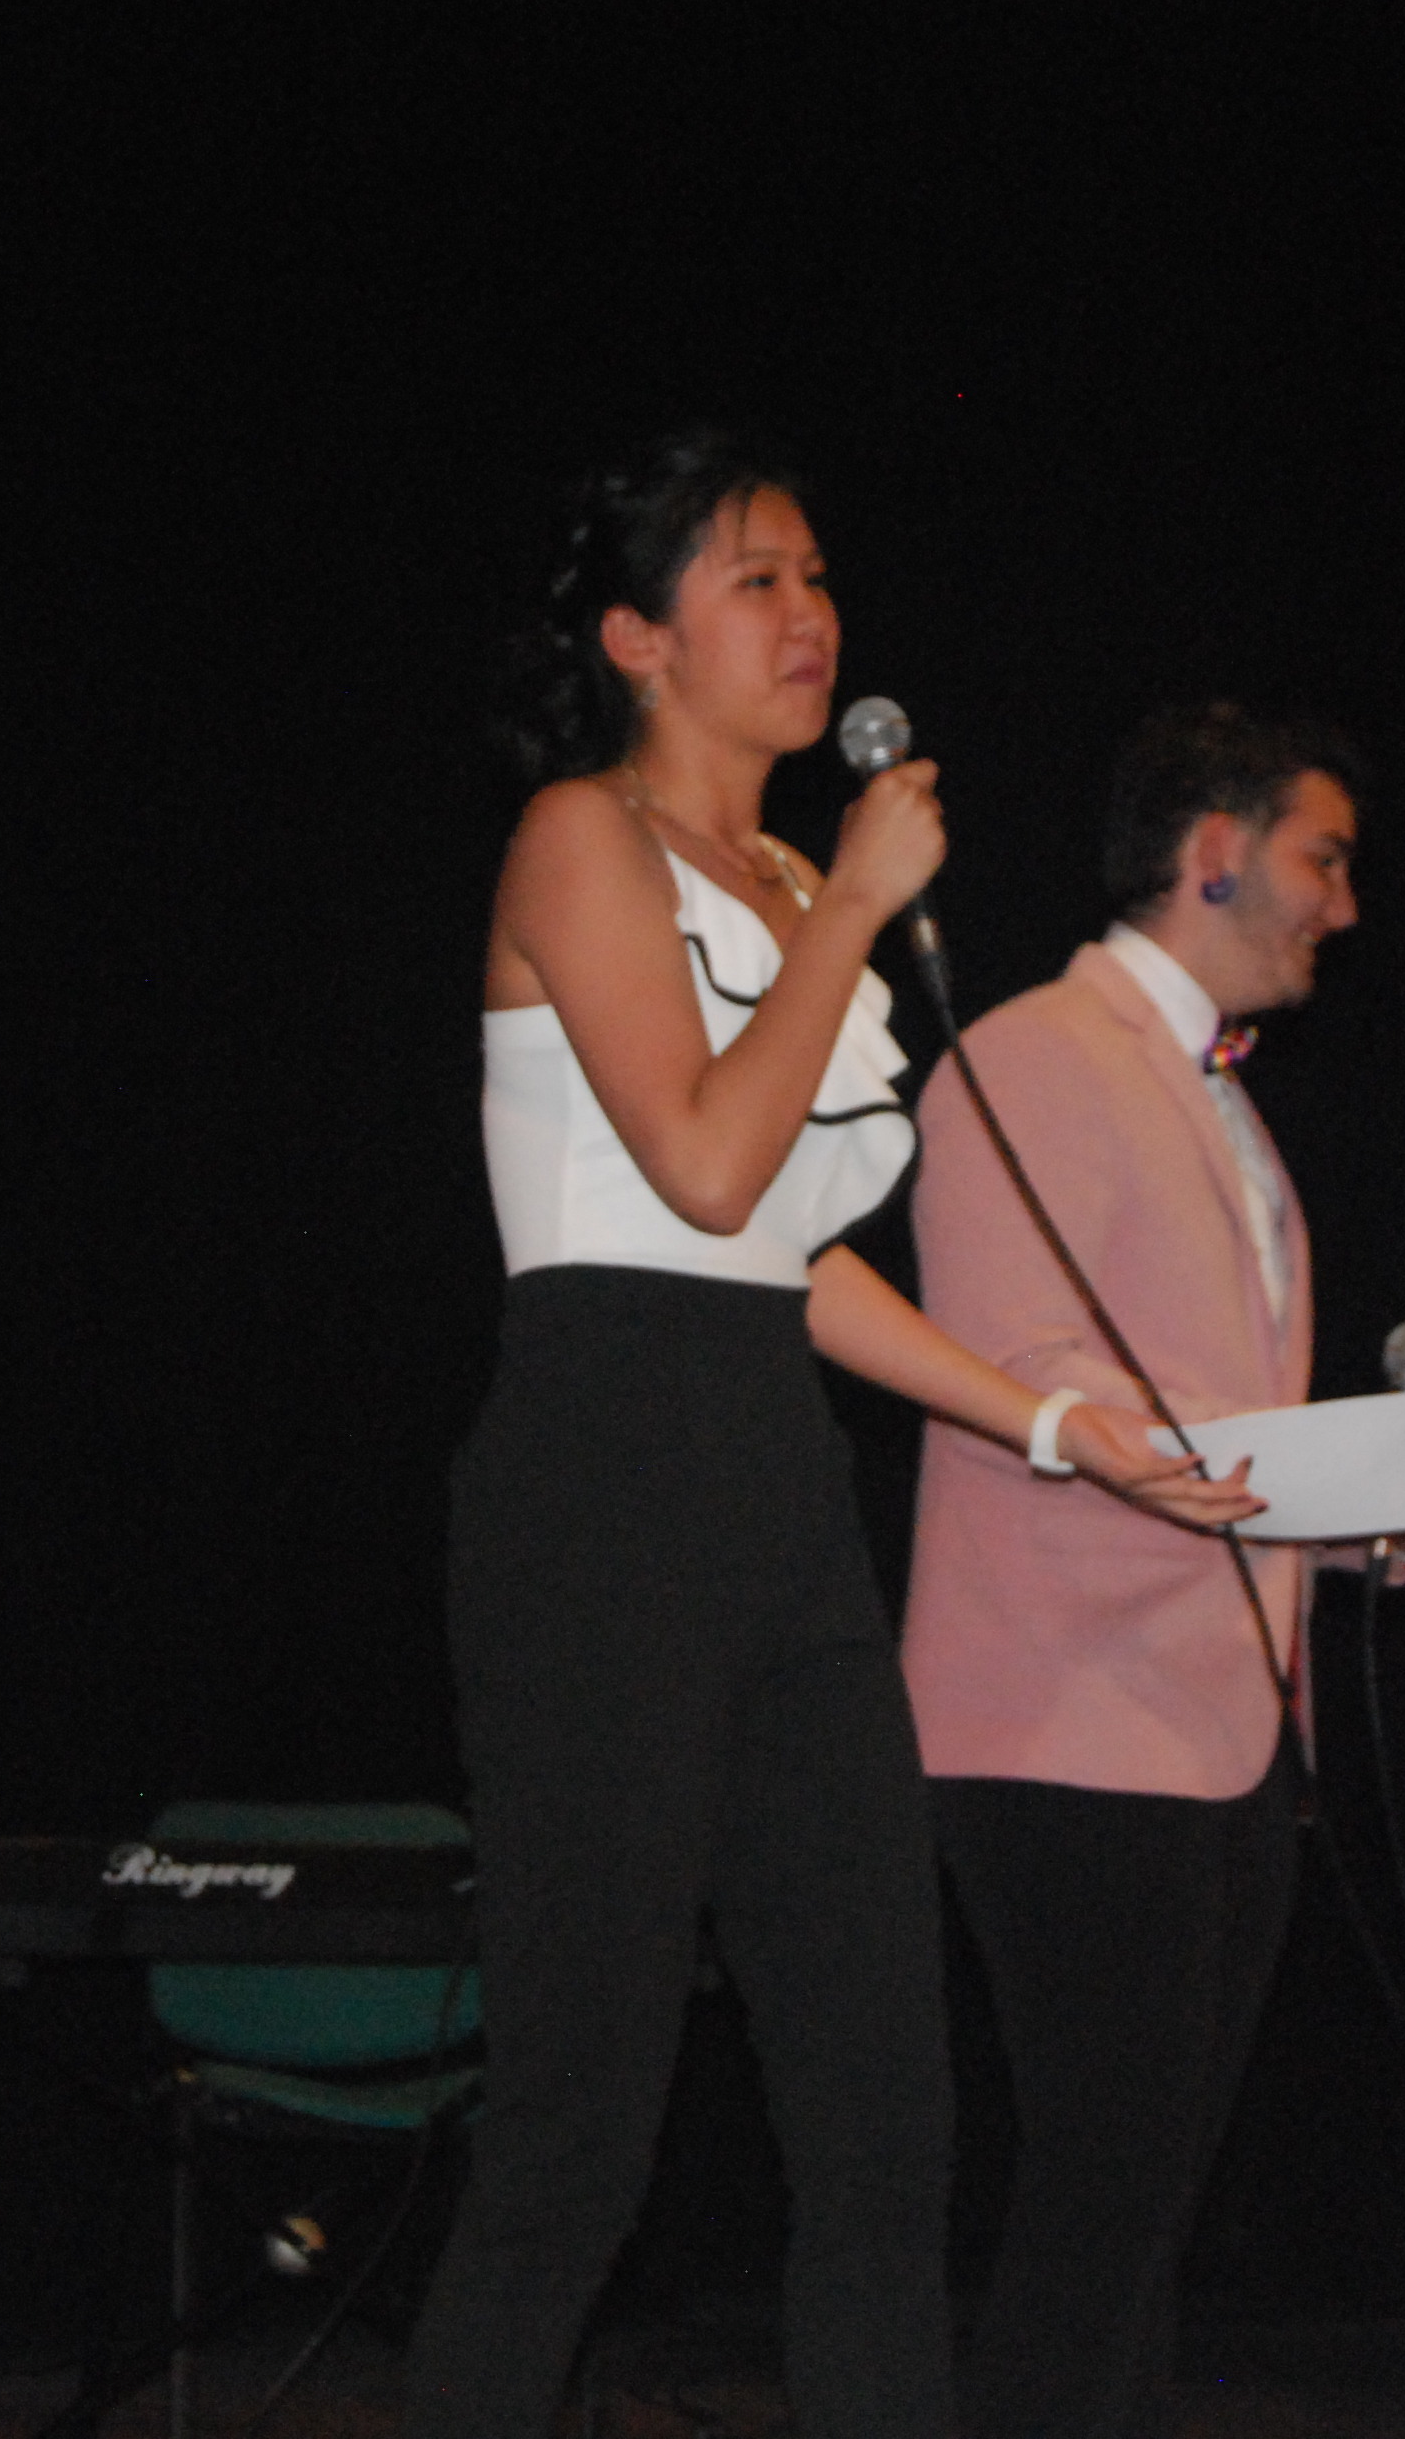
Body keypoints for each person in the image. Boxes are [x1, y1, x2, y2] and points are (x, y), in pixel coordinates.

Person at [404, 431, 1257, 2439]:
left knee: (886, 2128)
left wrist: (1056, 1422)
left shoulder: (794, 890)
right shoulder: (579, 842)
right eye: (757, 581)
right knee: (575, 2144)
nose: (812, 618)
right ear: (638, 640)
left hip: (776, 1499)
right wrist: (858, 908)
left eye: (817, 578)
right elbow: (703, 1169)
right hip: (599, 1485)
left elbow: (793, 1262)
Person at [902, 700, 1405, 2439]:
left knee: (1141, 2210)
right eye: (1326, 858)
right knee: (1106, 2195)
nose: (1346, 904)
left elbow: (1209, 1422)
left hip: (1220, 1726)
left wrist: (1385, 1514)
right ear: (1215, 853)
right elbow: (1053, 1391)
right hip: (1066, 1719)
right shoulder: (1031, 1056)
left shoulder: (1216, 1098)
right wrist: (1358, 1464)